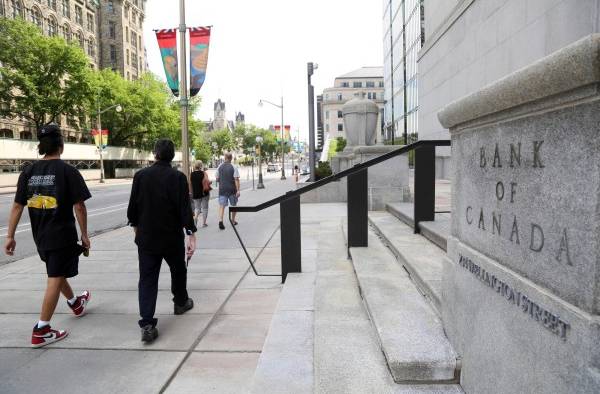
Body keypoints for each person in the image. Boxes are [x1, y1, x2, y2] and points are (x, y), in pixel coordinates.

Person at [3, 124, 91, 348]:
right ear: (61, 146)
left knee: (56, 271)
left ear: (41, 147)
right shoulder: (68, 172)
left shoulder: (28, 172)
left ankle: (75, 303)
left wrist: (10, 236)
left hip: (40, 236)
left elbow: (16, 206)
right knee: (55, 276)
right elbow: (79, 207)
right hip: (61, 235)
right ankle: (42, 329)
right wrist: (85, 235)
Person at [127, 139, 197, 343]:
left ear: (155, 154)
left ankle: (147, 323)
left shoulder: (140, 176)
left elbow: (133, 208)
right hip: (171, 235)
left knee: (148, 279)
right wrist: (191, 233)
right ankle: (181, 302)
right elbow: (185, 209)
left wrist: (135, 228)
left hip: (147, 237)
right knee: (178, 269)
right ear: (172, 156)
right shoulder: (178, 178)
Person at [216, 152, 240, 230]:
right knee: (233, 205)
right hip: (232, 190)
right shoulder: (234, 167)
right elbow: (236, 179)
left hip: (222, 189)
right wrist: (238, 190)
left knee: (222, 206)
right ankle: (233, 221)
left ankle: (220, 221)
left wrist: (222, 181)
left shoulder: (219, 167)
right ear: (231, 158)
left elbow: (217, 179)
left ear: (225, 158)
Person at [190, 161, 211, 228]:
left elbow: (190, 184)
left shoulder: (192, 174)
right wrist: (210, 183)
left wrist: (191, 192)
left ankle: (195, 217)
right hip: (204, 193)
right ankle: (204, 223)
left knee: (197, 208)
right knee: (205, 208)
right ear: (201, 166)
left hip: (196, 193)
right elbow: (208, 182)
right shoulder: (204, 173)